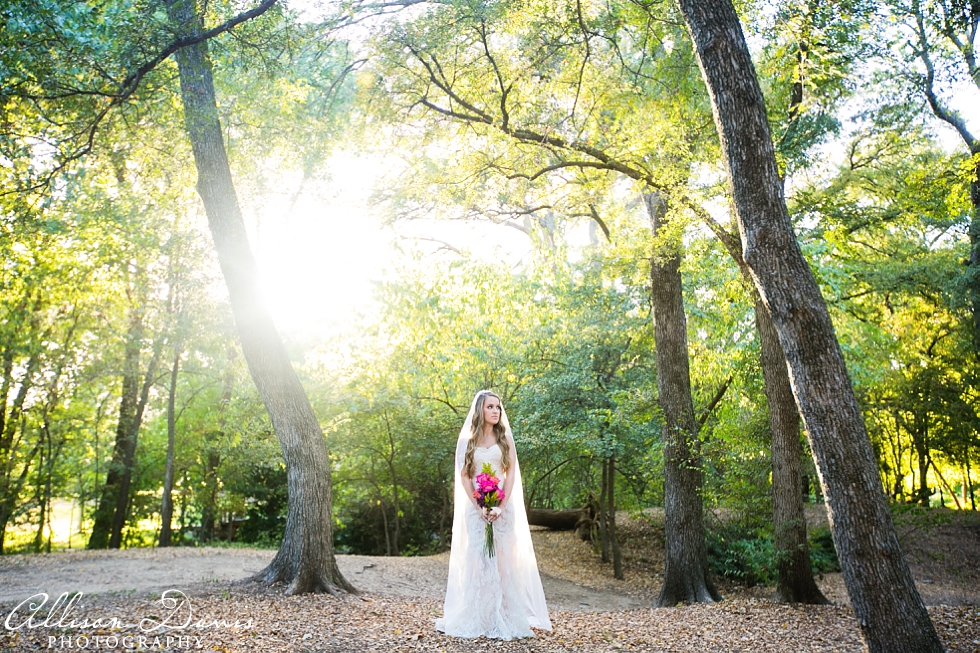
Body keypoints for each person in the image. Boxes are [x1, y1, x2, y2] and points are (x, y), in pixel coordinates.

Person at [435, 390, 552, 639]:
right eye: (490, 407)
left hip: (502, 509)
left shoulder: (504, 439)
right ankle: (480, 615)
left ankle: (506, 615)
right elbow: (465, 476)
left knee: (503, 561)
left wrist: (501, 505)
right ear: (480, 410)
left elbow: (510, 476)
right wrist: (478, 506)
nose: (496, 411)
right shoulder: (468, 439)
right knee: (478, 561)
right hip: (476, 509)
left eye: (498, 407)